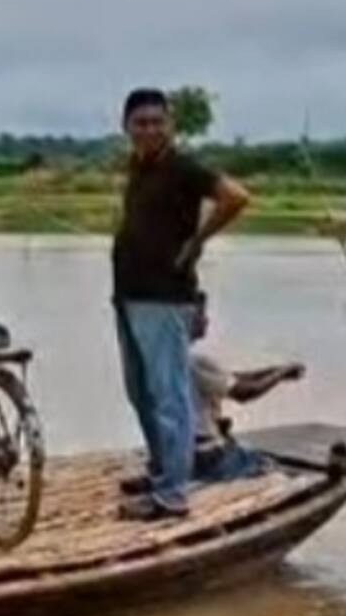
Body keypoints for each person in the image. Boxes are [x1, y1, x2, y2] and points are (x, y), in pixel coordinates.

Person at [110, 87, 251, 521]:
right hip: (129, 294)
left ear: (170, 125)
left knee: (170, 394)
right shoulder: (139, 167)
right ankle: (161, 470)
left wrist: (198, 241)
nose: (150, 129)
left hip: (164, 297)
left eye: (158, 122)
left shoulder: (183, 168)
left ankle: (172, 494)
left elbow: (236, 197)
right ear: (127, 127)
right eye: (141, 123)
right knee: (140, 392)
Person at [185, 293, 305, 483]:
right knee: (267, 465)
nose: (207, 320)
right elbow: (245, 393)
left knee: (246, 452)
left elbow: (234, 378)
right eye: (202, 314)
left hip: (180, 452)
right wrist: (281, 374)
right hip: (204, 458)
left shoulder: (175, 359)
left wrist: (277, 370)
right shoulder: (196, 362)